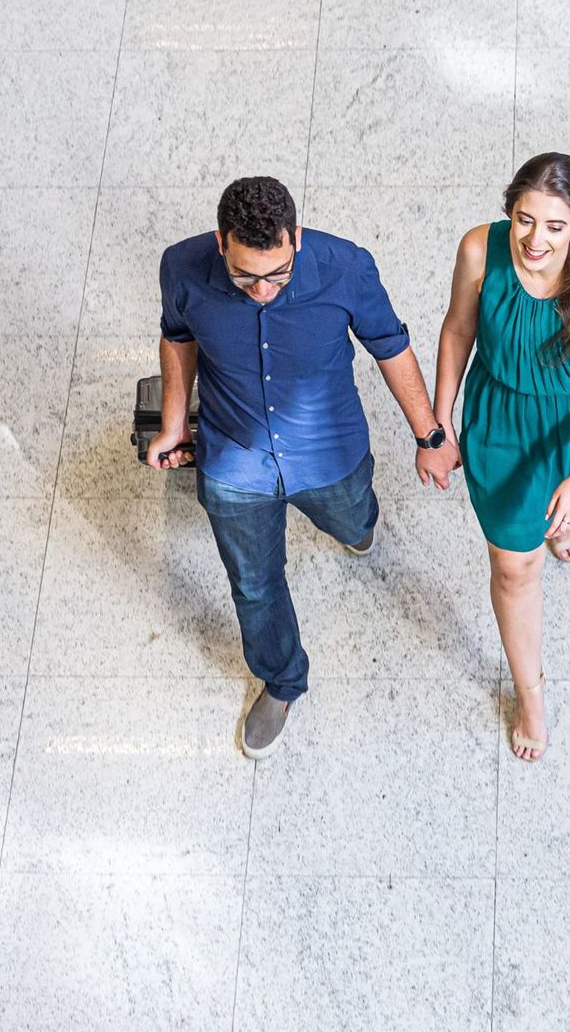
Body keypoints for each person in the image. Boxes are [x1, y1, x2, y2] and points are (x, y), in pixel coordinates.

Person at [149, 177, 460, 758]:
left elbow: (389, 345)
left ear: (295, 238)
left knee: (353, 521)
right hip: (236, 458)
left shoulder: (347, 267)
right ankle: (281, 681)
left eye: (277, 274)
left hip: (328, 449)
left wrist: (431, 434)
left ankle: (358, 525)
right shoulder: (181, 267)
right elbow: (177, 335)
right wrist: (173, 422)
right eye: (246, 277)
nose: (262, 290)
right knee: (254, 585)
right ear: (221, 243)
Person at [429, 153, 570, 761]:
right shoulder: (481, 250)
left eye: (555, 227)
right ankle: (531, 690)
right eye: (525, 220)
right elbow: (458, 330)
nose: (536, 240)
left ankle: (566, 516)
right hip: (503, 423)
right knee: (515, 569)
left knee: (567, 501)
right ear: (510, 210)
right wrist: (439, 424)